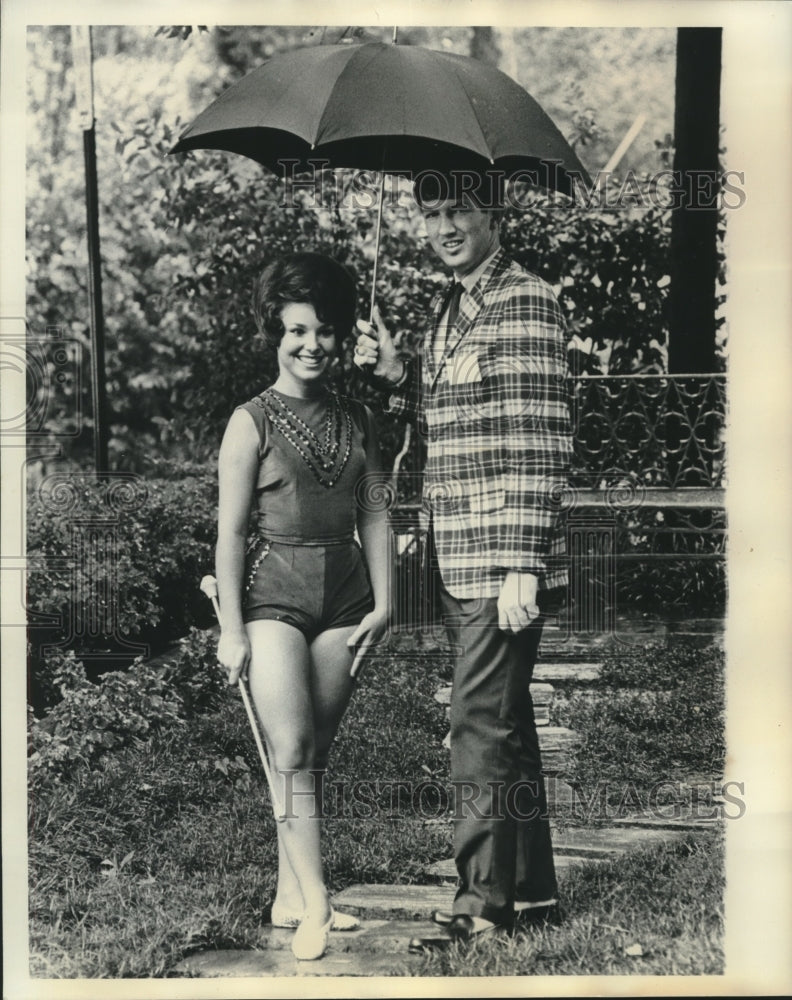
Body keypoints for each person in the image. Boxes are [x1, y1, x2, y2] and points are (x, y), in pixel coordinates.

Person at [354, 170, 573, 949]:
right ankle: (533, 891)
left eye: (460, 211)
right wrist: (394, 373)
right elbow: (451, 413)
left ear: (493, 213)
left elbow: (540, 438)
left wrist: (524, 562)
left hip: (500, 558)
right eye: (433, 213)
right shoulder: (450, 305)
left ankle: (480, 903)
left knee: (474, 721)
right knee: (503, 722)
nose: (444, 227)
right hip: (459, 553)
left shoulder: (525, 300)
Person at [215, 252, 390, 961]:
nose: (310, 345)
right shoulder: (249, 422)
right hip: (273, 599)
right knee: (288, 748)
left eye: (323, 331)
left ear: (342, 334)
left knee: (312, 755)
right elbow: (227, 534)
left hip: (347, 599)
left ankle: (291, 893)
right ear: (275, 334)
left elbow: (378, 512)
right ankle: (317, 903)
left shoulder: (361, 419)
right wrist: (231, 630)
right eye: (295, 331)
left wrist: (386, 604)